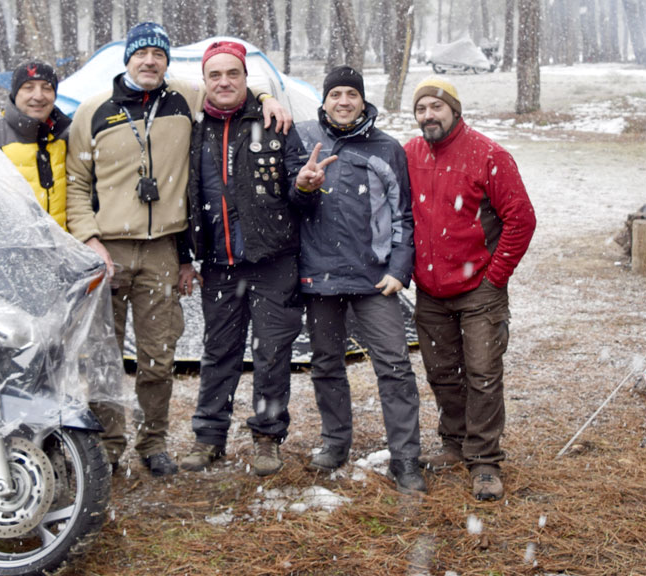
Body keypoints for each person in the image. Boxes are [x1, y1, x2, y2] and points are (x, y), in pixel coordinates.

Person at [66, 23, 289, 477]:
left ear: (168, 62)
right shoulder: (92, 112)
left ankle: (154, 442)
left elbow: (233, 87)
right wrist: (89, 239)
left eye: (158, 55)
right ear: (125, 59)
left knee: (157, 356)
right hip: (107, 248)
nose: (149, 61)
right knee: (105, 358)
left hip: (164, 250)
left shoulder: (183, 98)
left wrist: (268, 98)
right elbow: (76, 184)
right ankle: (109, 447)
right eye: (141, 53)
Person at [290, 66, 426, 494]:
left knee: (395, 367)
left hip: (374, 280)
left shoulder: (387, 148)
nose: (344, 101)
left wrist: (399, 270)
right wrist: (303, 186)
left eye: (352, 94)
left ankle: (405, 458)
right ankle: (335, 443)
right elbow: (290, 204)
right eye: (336, 95)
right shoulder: (304, 139)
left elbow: (403, 215)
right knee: (327, 364)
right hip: (320, 274)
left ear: (363, 101)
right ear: (325, 100)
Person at [177, 41, 306, 477]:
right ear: (204, 82)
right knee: (219, 353)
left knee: (271, 354)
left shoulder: (275, 122)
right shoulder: (192, 127)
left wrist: (305, 186)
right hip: (218, 263)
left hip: (273, 261)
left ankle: (267, 438)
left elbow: (299, 192)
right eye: (215, 75)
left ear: (247, 78)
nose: (224, 82)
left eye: (233, 73)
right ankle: (208, 438)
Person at [404, 77, 536, 501]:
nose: (428, 115)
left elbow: (522, 219)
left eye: (436, 107)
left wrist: (495, 276)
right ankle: (454, 443)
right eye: (421, 108)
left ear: (454, 111)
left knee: (482, 373)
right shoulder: (409, 154)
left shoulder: (489, 155)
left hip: (480, 286)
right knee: (442, 374)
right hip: (430, 288)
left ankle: (484, 459)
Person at [0, 61, 69, 229]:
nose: (38, 96)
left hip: (64, 248)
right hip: (8, 250)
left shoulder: (67, 134)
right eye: (28, 87)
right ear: (15, 93)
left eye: (47, 88)